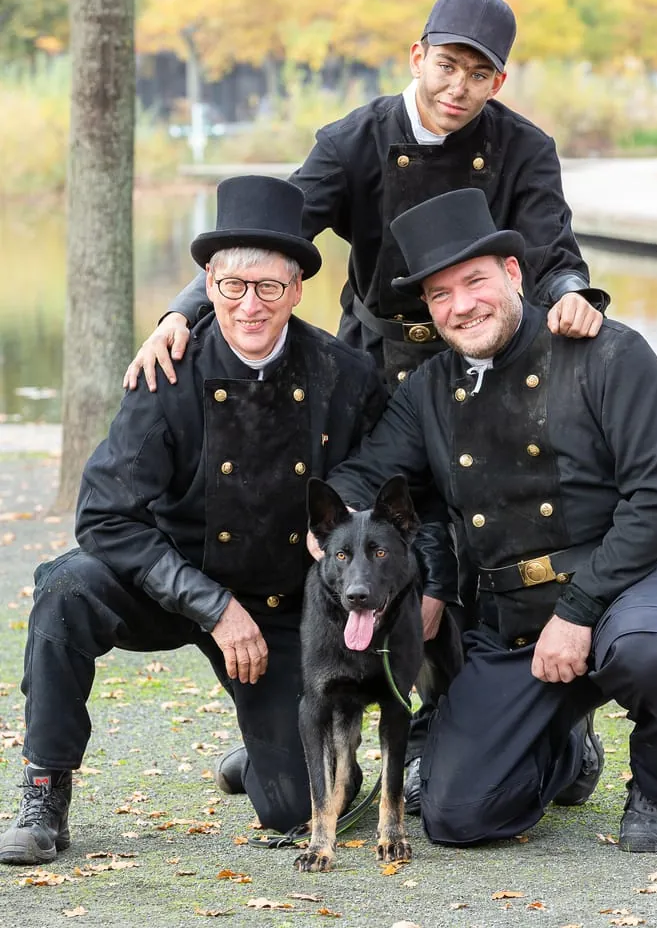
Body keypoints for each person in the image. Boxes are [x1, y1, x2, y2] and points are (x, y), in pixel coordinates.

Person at [123, 0, 609, 757]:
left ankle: (530, 719)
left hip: (479, 354)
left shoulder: (524, 148)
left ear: (498, 82)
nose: (457, 88)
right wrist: (182, 314)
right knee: (356, 525)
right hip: (377, 360)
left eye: (477, 75)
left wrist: (575, 295)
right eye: (446, 66)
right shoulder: (353, 139)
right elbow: (269, 238)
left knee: (483, 527)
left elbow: (550, 251)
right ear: (417, 56)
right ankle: (317, 704)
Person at [320, 186, 657, 852]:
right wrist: (330, 520)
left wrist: (578, 611)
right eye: (440, 295)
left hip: (635, 585)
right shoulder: (428, 390)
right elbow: (369, 473)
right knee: (458, 816)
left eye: (474, 281)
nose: (461, 305)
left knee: (650, 650)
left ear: (512, 273)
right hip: (514, 618)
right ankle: (566, 747)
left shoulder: (609, 354)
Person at [0, 176, 388, 866]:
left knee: (299, 807)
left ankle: (263, 754)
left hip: (279, 605)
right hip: (168, 581)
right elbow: (105, 515)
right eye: (233, 285)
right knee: (65, 588)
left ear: (297, 289)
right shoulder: (167, 370)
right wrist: (212, 607)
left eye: (268, 287)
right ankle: (44, 787)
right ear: (208, 284)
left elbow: (381, 476)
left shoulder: (346, 373)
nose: (249, 304)